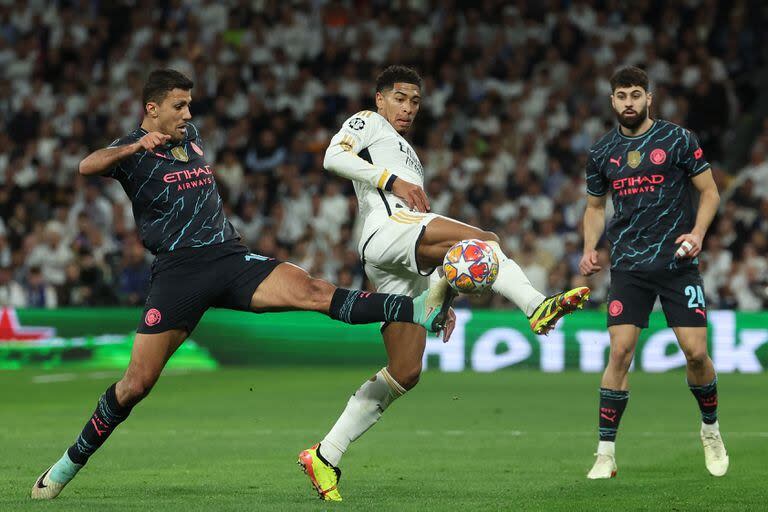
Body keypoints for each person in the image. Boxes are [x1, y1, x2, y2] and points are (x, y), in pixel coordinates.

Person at [31, 69, 454, 500]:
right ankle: (66, 466)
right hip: (179, 273)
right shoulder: (131, 151)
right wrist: (136, 144)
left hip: (229, 258)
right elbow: (86, 165)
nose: (188, 113)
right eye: (179, 105)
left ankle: (418, 310)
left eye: (189, 104)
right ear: (151, 109)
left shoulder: (188, 134)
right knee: (135, 385)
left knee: (312, 291)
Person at [298, 65, 590, 501]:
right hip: (388, 229)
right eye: (400, 98)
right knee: (486, 240)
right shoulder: (369, 121)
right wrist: (391, 180)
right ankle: (535, 305)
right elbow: (332, 157)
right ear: (380, 99)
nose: (408, 108)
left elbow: (436, 252)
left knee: (405, 371)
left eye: (415, 101)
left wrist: (441, 289)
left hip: (394, 259)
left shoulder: (407, 151)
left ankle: (326, 454)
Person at [579, 66, 727, 479]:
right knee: (620, 353)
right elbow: (594, 208)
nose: (629, 102)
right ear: (612, 101)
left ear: (649, 98)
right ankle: (605, 453)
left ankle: (710, 429)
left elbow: (710, 192)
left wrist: (697, 233)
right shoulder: (601, 152)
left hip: (678, 263)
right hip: (629, 266)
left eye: (636, 95)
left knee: (696, 353)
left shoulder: (678, 139)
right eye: (622, 95)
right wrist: (590, 248)